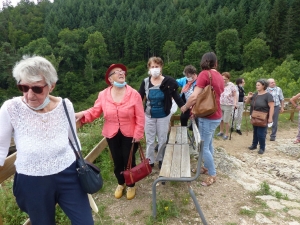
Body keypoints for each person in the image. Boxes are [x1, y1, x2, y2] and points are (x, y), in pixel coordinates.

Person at [0, 56, 94, 225]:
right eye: (23, 87)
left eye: (36, 89)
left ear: (51, 86)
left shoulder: (65, 105)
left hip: (68, 173)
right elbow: (0, 147)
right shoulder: (11, 108)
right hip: (32, 181)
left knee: (85, 222)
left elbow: (73, 140)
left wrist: (81, 166)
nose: (29, 95)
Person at [75, 64, 145, 200]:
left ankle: (131, 184)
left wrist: (138, 134)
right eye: (116, 72)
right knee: (117, 160)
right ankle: (121, 183)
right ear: (110, 79)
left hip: (130, 133)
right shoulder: (103, 94)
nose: (121, 73)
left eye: (122, 71)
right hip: (111, 133)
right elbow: (95, 111)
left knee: (129, 160)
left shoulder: (134, 94)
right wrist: (82, 114)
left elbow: (140, 116)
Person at [183, 52, 224, 187]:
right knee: (209, 144)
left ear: (203, 62)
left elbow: (195, 96)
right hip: (216, 114)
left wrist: (185, 107)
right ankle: (206, 167)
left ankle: (212, 174)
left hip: (207, 116)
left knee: (203, 147)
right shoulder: (219, 76)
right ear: (215, 63)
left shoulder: (204, 74)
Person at [138, 57, 185, 169]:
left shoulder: (168, 82)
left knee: (162, 139)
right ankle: (149, 161)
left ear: (161, 67)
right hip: (149, 115)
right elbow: (139, 98)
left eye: (157, 66)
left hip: (164, 115)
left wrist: (184, 107)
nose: (155, 69)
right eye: (152, 66)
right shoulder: (145, 82)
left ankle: (161, 159)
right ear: (149, 68)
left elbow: (176, 96)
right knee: (150, 140)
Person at [245, 79, 274, 154]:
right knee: (255, 132)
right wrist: (249, 97)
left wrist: (270, 118)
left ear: (263, 86)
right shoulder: (255, 95)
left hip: (263, 117)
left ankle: (262, 147)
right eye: (256, 85)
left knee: (260, 133)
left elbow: (272, 107)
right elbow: (247, 103)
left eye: (258, 85)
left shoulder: (268, 95)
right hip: (254, 116)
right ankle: (254, 145)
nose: (256, 86)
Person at [217, 72, 237, 140]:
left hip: (228, 105)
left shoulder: (232, 85)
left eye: (225, 79)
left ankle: (226, 134)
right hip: (220, 104)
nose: (223, 80)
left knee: (226, 120)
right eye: (222, 79)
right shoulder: (220, 84)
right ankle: (221, 131)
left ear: (228, 79)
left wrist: (235, 104)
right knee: (220, 119)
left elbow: (235, 95)